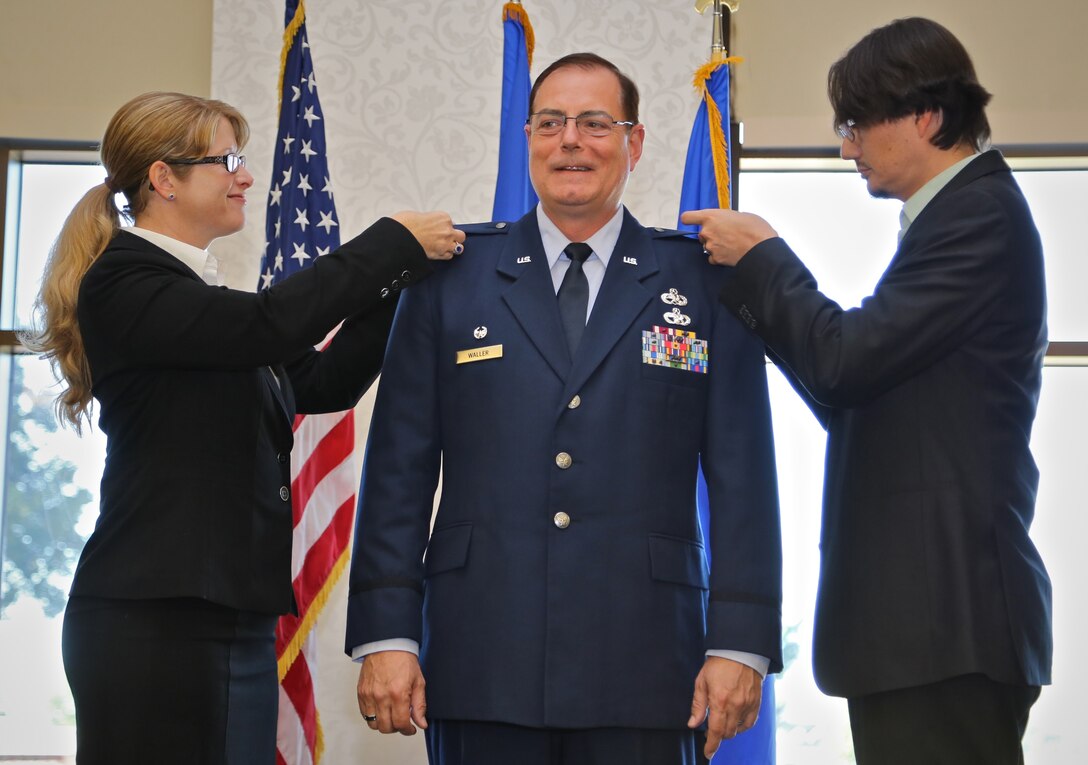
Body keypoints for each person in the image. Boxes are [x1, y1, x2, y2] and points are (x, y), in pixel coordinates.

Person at [345, 53, 781, 765]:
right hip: (483, 657)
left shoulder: (702, 283)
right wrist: (388, 635)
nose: (570, 140)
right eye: (551, 122)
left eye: (594, 123)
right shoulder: (448, 278)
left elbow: (744, 478)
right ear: (528, 139)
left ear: (634, 143)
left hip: (648, 664)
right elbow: (398, 470)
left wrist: (739, 641)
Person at [22, 91, 464, 765]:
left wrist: (406, 278)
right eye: (227, 159)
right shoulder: (125, 284)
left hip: (230, 612)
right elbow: (271, 324)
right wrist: (390, 241)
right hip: (155, 620)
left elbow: (323, 380)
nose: (246, 175)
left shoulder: (202, 301)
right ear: (164, 179)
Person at [682, 17, 1051, 765]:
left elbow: (847, 362)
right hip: (922, 635)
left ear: (927, 117)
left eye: (855, 124)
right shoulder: (952, 218)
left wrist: (765, 259)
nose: (845, 146)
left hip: (945, 629)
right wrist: (764, 302)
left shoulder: (976, 216)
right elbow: (854, 390)